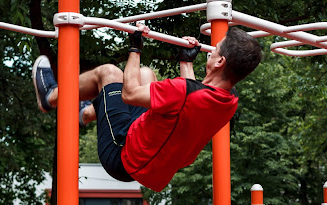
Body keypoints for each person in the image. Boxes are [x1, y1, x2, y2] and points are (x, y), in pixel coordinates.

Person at [32, 24, 261, 192]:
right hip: (150, 156)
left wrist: (135, 48)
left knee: (110, 73)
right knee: (145, 74)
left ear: (220, 62)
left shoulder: (182, 91)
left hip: (121, 155)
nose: (209, 51)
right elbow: (194, 100)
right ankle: (86, 113)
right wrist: (186, 62)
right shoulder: (228, 101)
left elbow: (129, 94)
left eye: (215, 49)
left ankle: (50, 96)